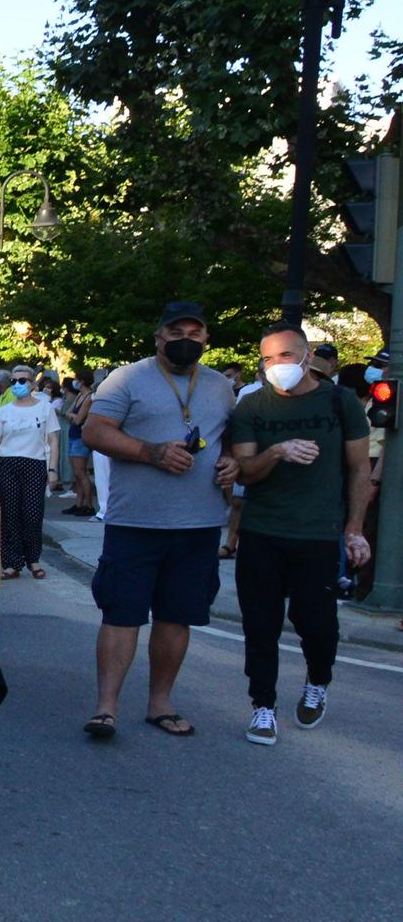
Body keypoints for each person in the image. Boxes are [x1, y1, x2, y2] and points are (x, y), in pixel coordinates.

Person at [79, 301, 238, 741]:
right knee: (121, 614)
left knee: (177, 616)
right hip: (136, 521)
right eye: (176, 331)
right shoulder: (127, 378)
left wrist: (231, 463)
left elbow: (231, 441)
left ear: (206, 338)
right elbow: (94, 431)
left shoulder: (221, 386)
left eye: (195, 332)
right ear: (158, 337)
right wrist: (152, 452)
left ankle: (159, 704)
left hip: (199, 523)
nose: (186, 339)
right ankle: (106, 707)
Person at [226, 326, 372, 744]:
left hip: (318, 533)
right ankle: (263, 707)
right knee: (260, 623)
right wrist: (277, 451)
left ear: (308, 357)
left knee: (316, 622)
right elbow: (246, 473)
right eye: (268, 359)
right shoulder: (252, 405)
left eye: (286, 356)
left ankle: (317, 679)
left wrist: (354, 529)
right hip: (262, 530)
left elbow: (360, 469)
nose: (278, 366)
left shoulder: (339, 401)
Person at [0, 364, 60, 580]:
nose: (17, 384)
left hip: (34, 464)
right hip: (7, 464)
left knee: (33, 514)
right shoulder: (4, 411)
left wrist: (52, 470)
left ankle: (33, 560)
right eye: (14, 381)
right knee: (9, 515)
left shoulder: (45, 408)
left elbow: (53, 440)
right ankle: (11, 563)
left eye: (22, 381)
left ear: (33, 383)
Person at [65, 368, 98, 515]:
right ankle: (79, 503)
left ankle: (89, 505)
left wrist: (72, 416)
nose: (75, 382)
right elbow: (68, 413)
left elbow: (77, 419)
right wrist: (72, 416)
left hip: (80, 437)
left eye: (77, 379)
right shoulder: (80, 395)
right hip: (73, 435)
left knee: (81, 472)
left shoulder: (89, 397)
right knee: (77, 473)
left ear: (82, 381)